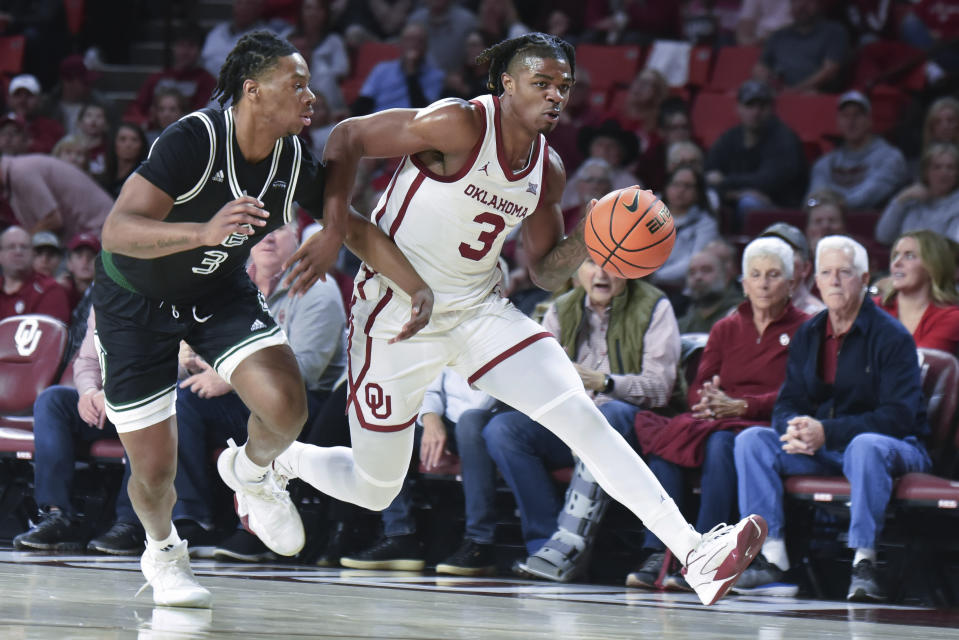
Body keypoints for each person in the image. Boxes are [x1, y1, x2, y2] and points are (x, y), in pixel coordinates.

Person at [273, 32, 768, 607]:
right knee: (376, 487)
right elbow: (348, 135)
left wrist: (592, 234)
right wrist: (335, 227)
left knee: (584, 419)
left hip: (480, 310)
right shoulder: (457, 123)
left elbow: (544, 273)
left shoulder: (549, 170)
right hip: (395, 312)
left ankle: (694, 551)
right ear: (506, 84)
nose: (556, 96)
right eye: (542, 83)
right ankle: (279, 460)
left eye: (565, 87)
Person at [93, 31, 433, 609]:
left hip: (218, 292)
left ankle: (252, 475)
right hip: (136, 301)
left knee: (286, 405)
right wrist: (202, 231)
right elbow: (116, 232)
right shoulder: (194, 139)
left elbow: (347, 224)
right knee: (153, 474)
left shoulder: (291, 155)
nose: (311, 95)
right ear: (252, 90)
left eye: (309, 83)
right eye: (295, 84)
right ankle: (163, 550)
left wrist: (415, 284)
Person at [732, 235, 931, 601]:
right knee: (751, 442)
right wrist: (796, 428)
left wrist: (827, 431)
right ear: (816, 281)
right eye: (827, 272)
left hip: (897, 448)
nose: (835, 280)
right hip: (826, 450)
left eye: (845, 272)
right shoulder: (809, 332)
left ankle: (864, 561)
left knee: (865, 445)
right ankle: (772, 559)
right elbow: (788, 402)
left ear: (864, 277)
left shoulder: (892, 337)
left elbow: (898, 418)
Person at [491, 256, 684, 582]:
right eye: (592, 263)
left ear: (631, 269)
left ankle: (571, 543)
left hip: (633, 423)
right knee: (503, 429)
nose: (601, 273)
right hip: (571, 422)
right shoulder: (560, 308)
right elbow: (534, 379)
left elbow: (660, 389)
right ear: (578, 270)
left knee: (609, 413)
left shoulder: (654, 306)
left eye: (613, 264)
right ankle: (544, 542)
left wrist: (604, 382)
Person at [630, 237, 808, 590]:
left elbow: (800, 393)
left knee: (721, 443)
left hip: (761, 425)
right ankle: (659, 552)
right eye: (755, 275)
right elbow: (699, 384)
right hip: (718, 417)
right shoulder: (727, 327)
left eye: (774, 275)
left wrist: (744, 406)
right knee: (666, 445)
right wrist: (710, 401)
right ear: (743, 283)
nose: (763, 282)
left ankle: (707, 556)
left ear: (791, 283)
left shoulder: (805, 329)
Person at [174, 222, 348, 562]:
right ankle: (192, 519)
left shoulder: (317, 288)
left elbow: (306, 370)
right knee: (184, 401)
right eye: (261, 230)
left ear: (296, 239)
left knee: (266, 408)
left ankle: (256, 525)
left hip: (306, 403)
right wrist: (194, 358)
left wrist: (231, 377)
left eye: (278, 230)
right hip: (246, 395)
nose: (267, 237)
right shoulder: (233, 286)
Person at [339, 368, 498, 573]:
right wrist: (431, 419)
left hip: (489, 417)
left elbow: (491, 395)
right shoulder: (442, 335)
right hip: (448, 417)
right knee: (388, 427)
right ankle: (399, 536)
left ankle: (480, 542)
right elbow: (429, 386)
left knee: (469, 423)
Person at [12, 308, 142, 553]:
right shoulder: (105, 299)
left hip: (147, 402)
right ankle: (57, 516)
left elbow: (174, 367)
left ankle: (131, 524)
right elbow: (87, 361)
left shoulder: (169, 294)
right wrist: (88, 393)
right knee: (53, 400)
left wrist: (117, 394)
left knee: (145, 414)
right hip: (105, 405)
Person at [706, 80, 806, 227]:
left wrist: (725, 181)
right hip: (736, 198)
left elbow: (767, 181)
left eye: (762, 106)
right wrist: (734, 193)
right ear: (738, 108)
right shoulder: (730, 137)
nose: (756, 112)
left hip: (780, 208)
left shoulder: (784, 138)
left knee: (749, 203)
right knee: (709, 198)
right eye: (749, 105)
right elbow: (708, 175)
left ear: (772, 109)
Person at [807, 91, 907, 211]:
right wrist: (827, 203)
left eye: (857, 115)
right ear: (838, 121)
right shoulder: (825, 163)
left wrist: (833, 203)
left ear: (869, 120)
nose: (851, 121)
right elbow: (812, 200)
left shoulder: (891, 158)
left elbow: (868, 197)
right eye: (845, 115)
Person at [876, 230, 959, 353]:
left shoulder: (951, 316)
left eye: (909, 256)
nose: (897, 263)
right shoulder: (871, 307)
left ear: (933, 266)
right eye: (895, 256)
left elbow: (919, 365)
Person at [0, 153, 113, 243]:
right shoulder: (13, 177)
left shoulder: (20, 173)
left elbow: (53, 220)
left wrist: (23, 241)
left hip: (104, 231)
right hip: (90, 233)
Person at [128, 23, 217, 126]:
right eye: (181, 45)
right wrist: (147, 122)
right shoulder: (157, 78)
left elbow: (203, 117)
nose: (185, 52)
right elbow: (134, 110)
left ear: (200, 50)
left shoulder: (207, 81)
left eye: (191, 46)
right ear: (173, 48)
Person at [648, 165, 719, 292]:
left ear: (698, 192)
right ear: (666, 187)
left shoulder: (706, 223)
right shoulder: (648, 214)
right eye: (676, 184)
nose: (680, 190)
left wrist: (655, 277)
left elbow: (695, 260)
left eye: (688, 186)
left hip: (683, 289)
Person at [754, 0, 849, 93]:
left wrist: (795, 91)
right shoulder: (778, 35)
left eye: (809, 1)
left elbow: (830, 71)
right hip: (777, 95)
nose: (802, 5)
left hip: (817, 95)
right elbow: (760, 67)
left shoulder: (834, 31)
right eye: (796, 1)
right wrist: (769, 81)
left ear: (819, 4)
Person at [875, 142, 959, 245]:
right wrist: (900, 201)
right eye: (937, 167)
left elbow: (953, 248)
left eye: (950, 167)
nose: (944, 172)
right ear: (926, 171)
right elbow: (883, 236)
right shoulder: (910, 198)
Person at [353, 22, 445, 115]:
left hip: (410, 125)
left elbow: (423, 112)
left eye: (418, 40)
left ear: (425, 46)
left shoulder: (436, 76)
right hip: (379, 121)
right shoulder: (382, 69)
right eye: (409, 40)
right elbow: (364, 101)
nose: (413, 44)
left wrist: (411, 73)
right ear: (400, 44)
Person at [0, 226, 70, 323]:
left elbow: (50, 336)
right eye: (11, 247)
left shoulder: (49, 289)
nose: (18, 252)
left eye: (24, 247)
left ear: (32, 254)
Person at [760, 222, 825, 315]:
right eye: (768, 251)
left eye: (785, 252)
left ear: (805, 268)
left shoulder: (818, 318)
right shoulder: (740, 317)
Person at [677, 249, 743, 334]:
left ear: (726, 277)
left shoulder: (742, 314)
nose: (698, 277)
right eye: (692, 272)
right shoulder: (682, 324)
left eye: (706, 270)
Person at [5, 73, 64, 154]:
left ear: (39, 100)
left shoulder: (53, 128)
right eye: (17, 95)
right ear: (9, 99)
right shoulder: (2, 124)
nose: (22, 101)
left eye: (29, 95)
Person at [101, 122, 149, 198]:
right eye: (122, 139)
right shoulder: (103, 179)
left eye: (134, 140)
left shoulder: (145, 180)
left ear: (142, 145)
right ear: (114, 143)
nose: (128, 145)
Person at [56, 232, 100, 312]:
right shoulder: (60, 290)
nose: (85, 261)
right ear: (69, 263)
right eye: (79, 256)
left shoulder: (107, 293)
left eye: (91, 256)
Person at [804, 188, 847, 255]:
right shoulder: (796, 256)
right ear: (807, 229)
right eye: (818, 221)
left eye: (832, 220)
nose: (825, 226)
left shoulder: (859, 251)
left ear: (844, 225)